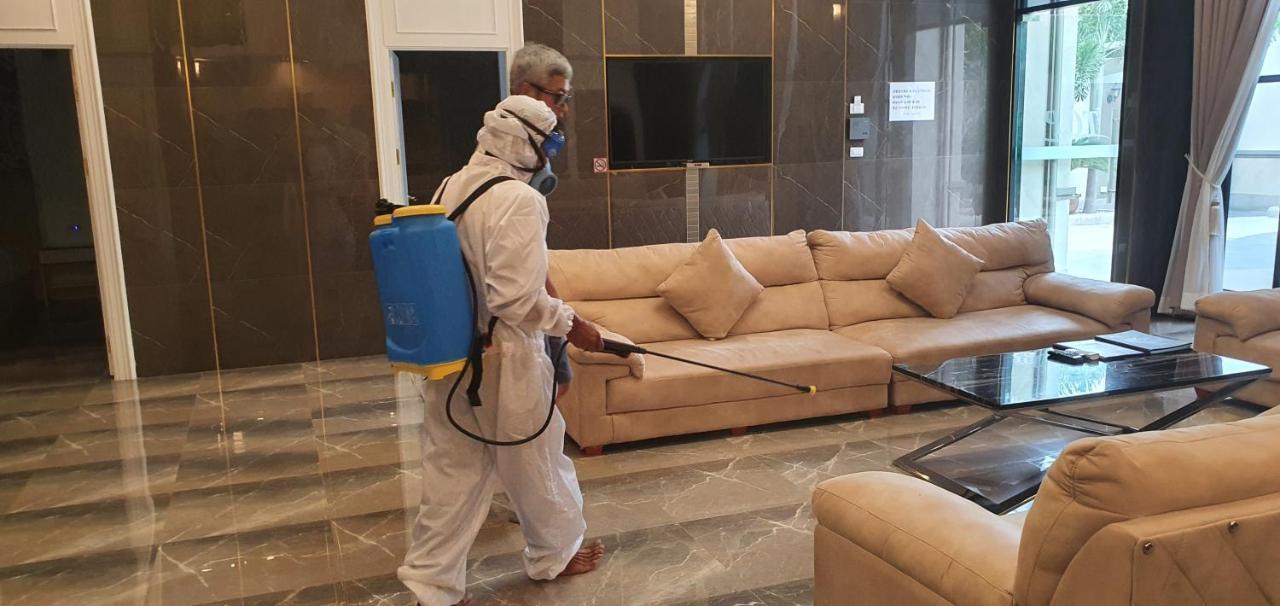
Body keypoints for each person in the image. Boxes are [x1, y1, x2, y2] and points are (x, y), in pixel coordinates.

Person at [395, 96, 606, 606]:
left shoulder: (450, 185)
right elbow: (515, 301)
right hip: (508, 357)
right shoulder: (519, 199)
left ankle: (432, 587)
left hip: (453, 356)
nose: (551, 158)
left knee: (452, 473)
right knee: (536, 462)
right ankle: (555, 554)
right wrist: (573, 325)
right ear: (526, 143)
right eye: (550, 146)